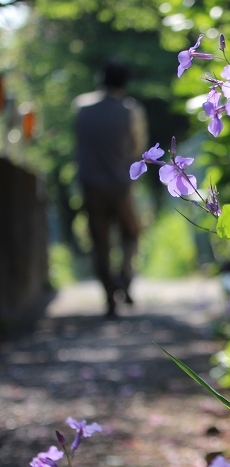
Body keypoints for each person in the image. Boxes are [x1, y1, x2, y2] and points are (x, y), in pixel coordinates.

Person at [74, 58, 147, 317]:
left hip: (90, 185)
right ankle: (124, 277)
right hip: (120, 185)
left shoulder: (81, 107)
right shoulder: (130, 110)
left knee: (100, 242)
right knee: (131, 234)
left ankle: (109, 296)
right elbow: (138, 148)